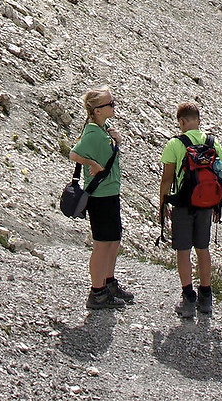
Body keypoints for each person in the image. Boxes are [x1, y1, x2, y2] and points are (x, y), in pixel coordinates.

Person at [68, 90, 134, 310]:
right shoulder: (93, 132)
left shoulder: (104, 129)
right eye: (110, 103)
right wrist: (92, 164)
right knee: (102, 244)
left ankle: (108, 282)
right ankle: (97, 292)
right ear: (97, 110)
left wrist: (117, 141)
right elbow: (73, 154)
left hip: (110, 193)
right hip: (100, 195)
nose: (114, 106)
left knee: (113, 240)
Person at [157, 101, 220, 319]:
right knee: (203, 249)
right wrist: (216, 206)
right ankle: (206, 296)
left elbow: (167, 179)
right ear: (198, 120)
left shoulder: (175, 144)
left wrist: (162, 203)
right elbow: (221, 175)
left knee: (183, 251)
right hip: (205, 206)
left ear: (181, 122)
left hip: (183, 205)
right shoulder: (212, 142)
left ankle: (188, 297)